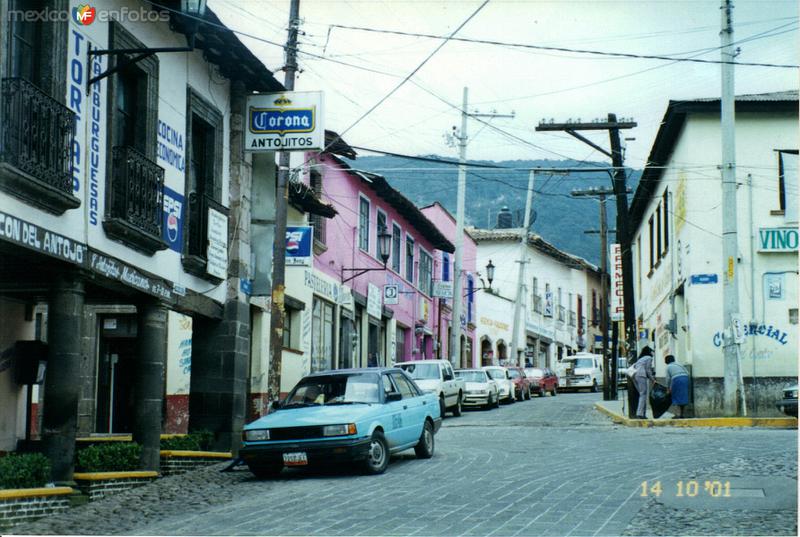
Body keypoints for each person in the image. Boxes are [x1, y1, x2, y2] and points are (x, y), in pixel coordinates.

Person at [632, 346, 656, 419]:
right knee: (643, 395)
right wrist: (653, 379)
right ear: (649, 352)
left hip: (634, 376)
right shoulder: (649, 358)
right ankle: (640, 413)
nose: (653, 353)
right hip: (641, 375)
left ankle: (643, 413)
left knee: (642, 395)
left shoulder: (640, 359)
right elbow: (648, 370)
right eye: (652, 351)